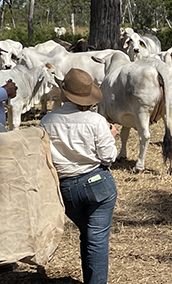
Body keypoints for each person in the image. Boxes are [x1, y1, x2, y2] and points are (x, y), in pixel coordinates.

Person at [41, 68, 118, 284]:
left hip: (66, 189)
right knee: (97, 239)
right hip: (97, 184)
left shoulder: (47, 121)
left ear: (64, 94)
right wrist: (111, 136)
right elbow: (108, 157)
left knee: (88, 234)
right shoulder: (96, 121)